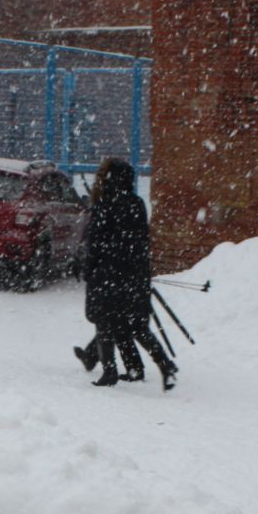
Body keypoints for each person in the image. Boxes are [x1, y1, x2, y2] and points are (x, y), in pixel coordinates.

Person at [75, 156, 175, 390]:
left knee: (104, 321)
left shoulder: (104, 204)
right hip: (134, 273)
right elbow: (142, 241)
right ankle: (164, 365)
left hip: (107, 272)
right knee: (134, 326)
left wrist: (89, 269)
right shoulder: (136, 203)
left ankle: (109, 372)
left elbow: (95, 243)